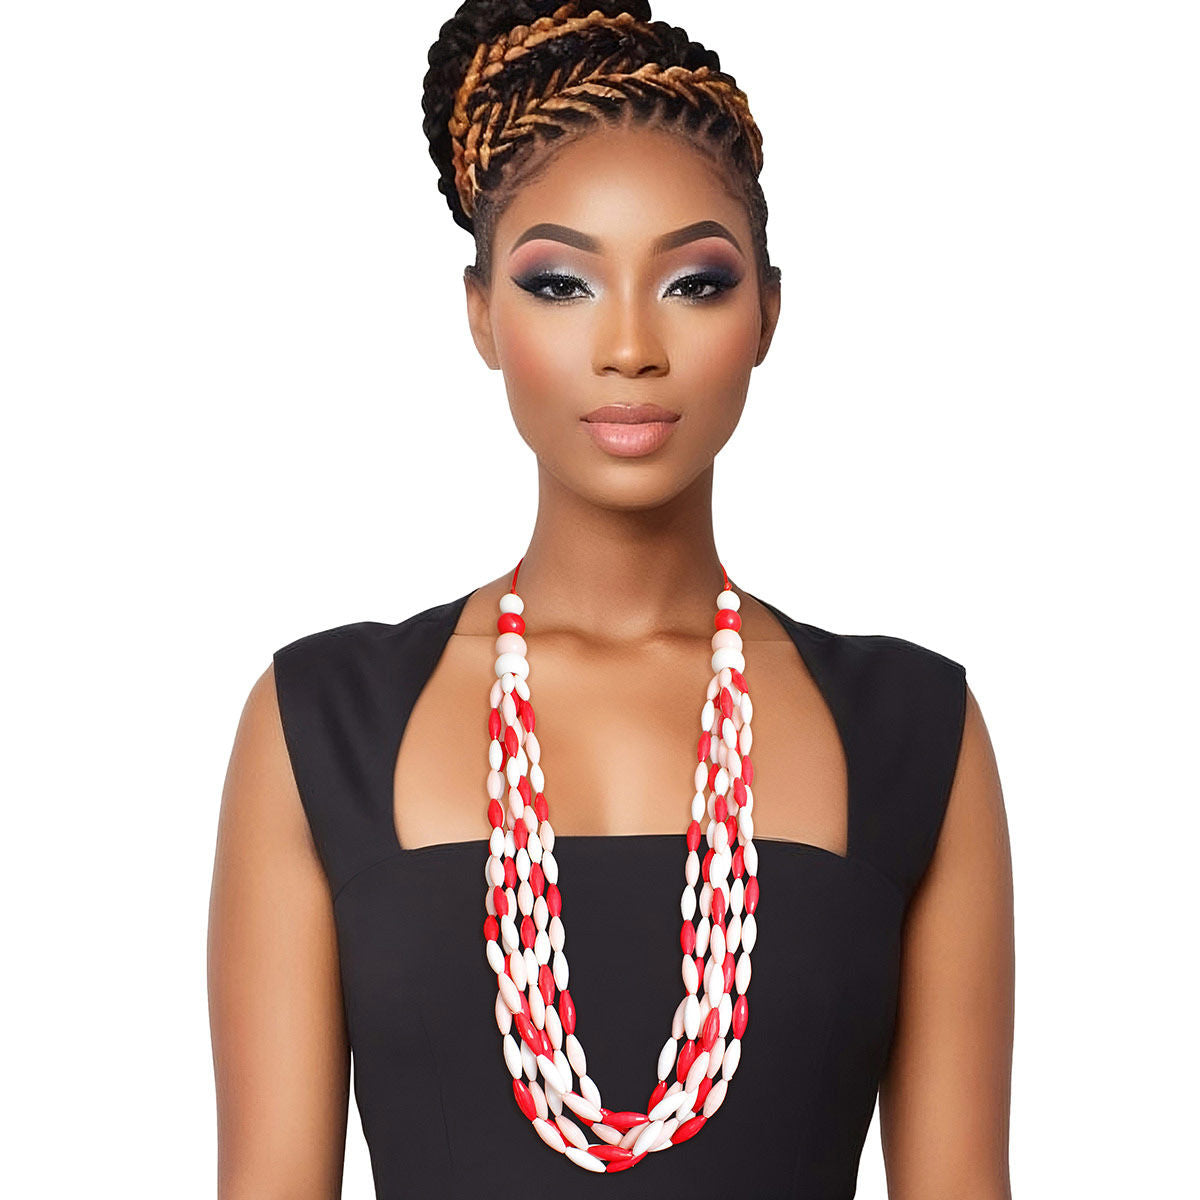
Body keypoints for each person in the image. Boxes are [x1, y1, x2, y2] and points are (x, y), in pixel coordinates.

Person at [207, 2, 1015, 1196]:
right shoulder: (321, 722)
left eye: (692, 283)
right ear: (481, 315)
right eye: (560, 283)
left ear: (767, 314)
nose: (630, 345)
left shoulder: (914, 730)